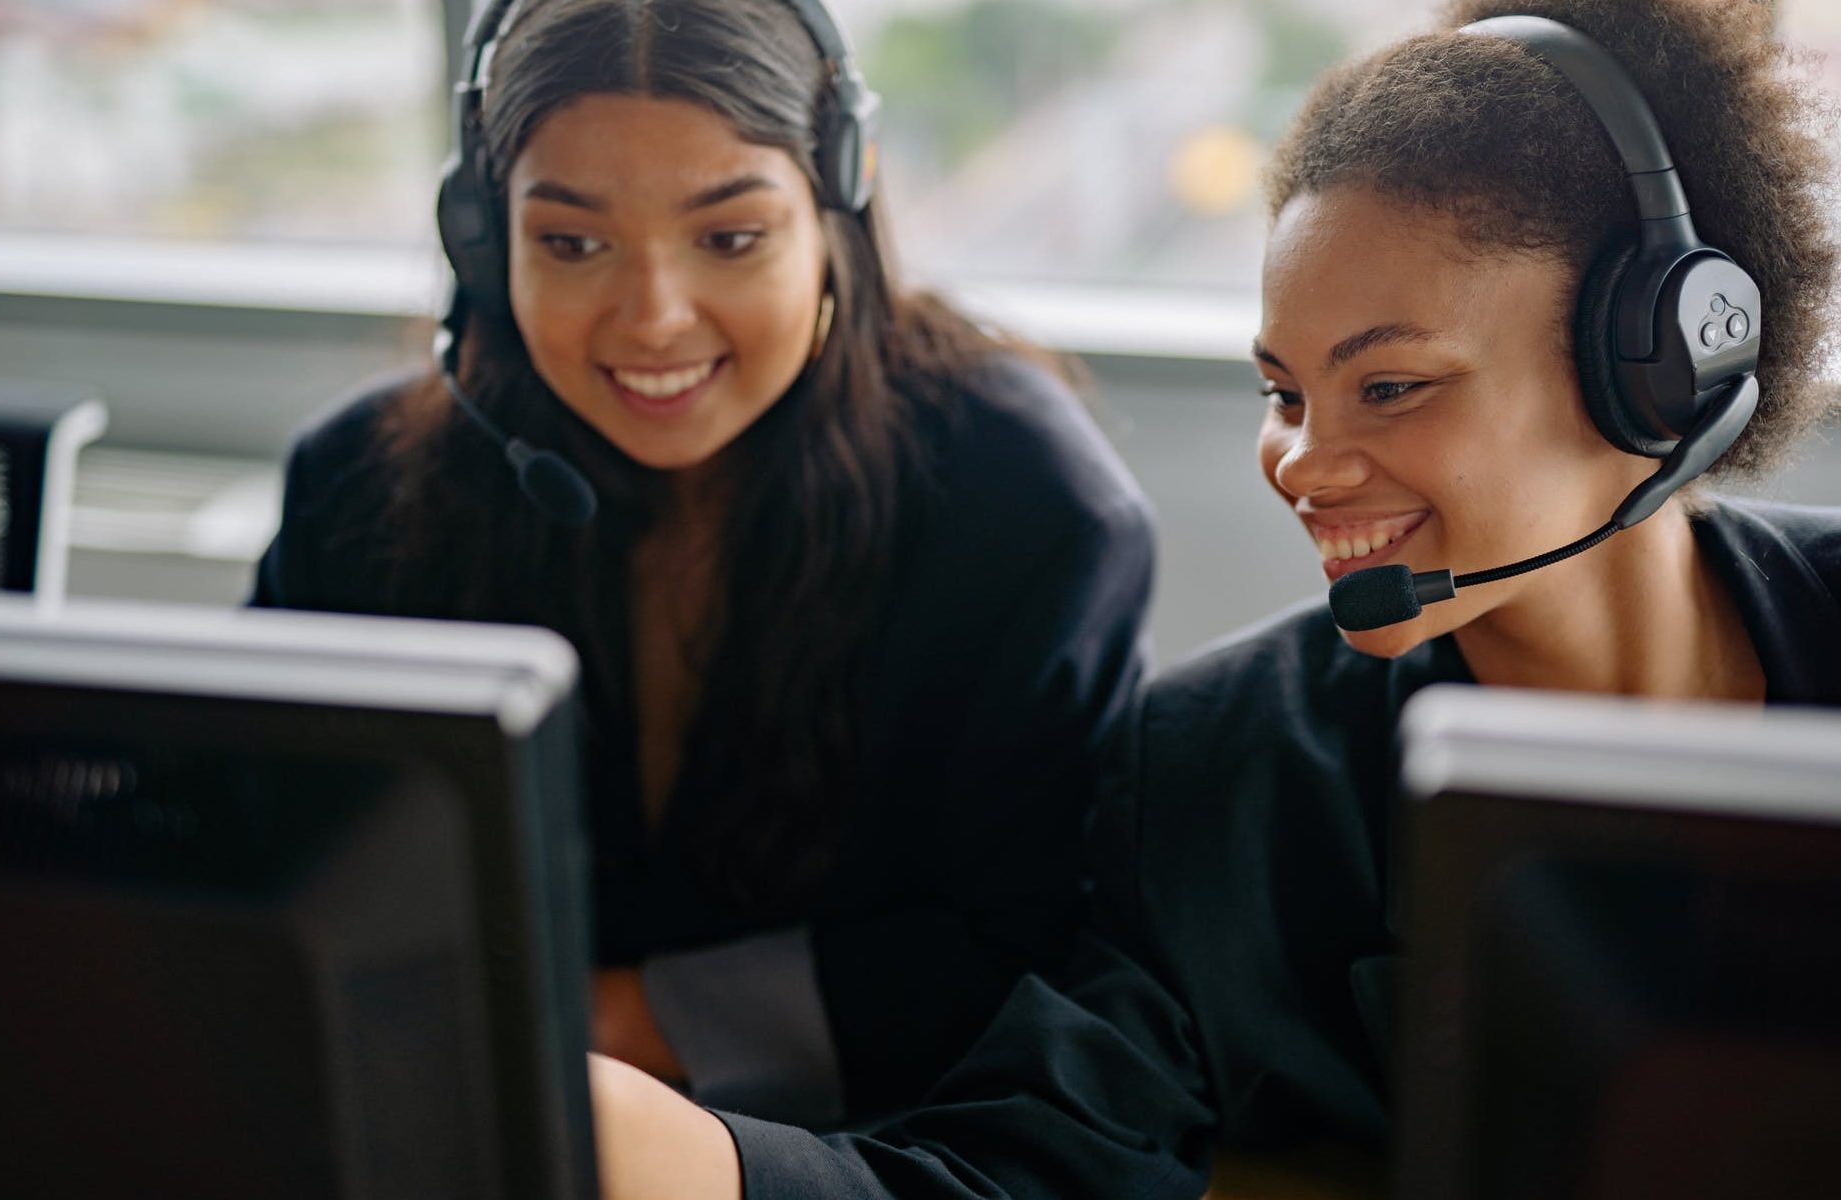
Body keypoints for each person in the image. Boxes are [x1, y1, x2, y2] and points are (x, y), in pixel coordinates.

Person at [579, 0, 1841, 1194]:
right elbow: (1031, 1167)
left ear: (1655, 377)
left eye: (1388, 386)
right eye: (1283, 395)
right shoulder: (1212, 780)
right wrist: (680, 1159)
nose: (1298, 460)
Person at [251, 0, 1154, 1128]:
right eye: (571, 244)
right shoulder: (357, 490)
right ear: (481, 241)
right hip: (451, 1123)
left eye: (728, 238)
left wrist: (620, 1020)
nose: (651, 320)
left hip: (863, 1153)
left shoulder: (1024, 503)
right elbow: (268, 860)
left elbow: (1037, 951)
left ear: (834, 208)